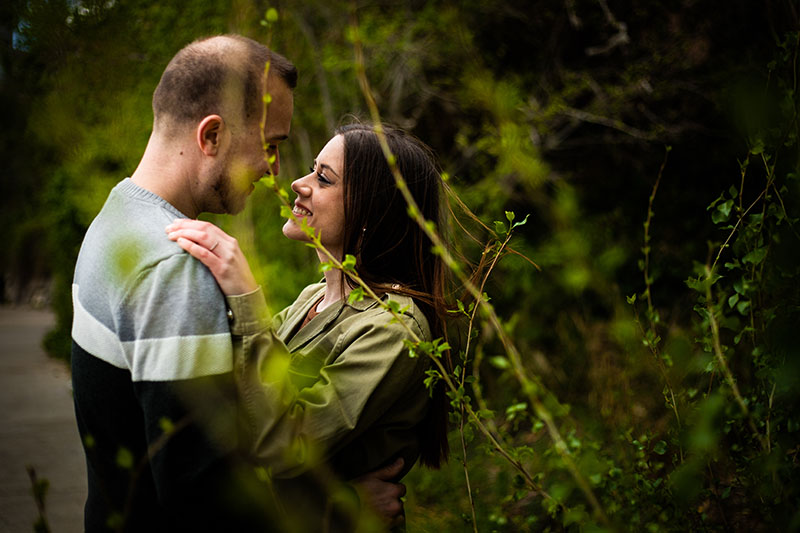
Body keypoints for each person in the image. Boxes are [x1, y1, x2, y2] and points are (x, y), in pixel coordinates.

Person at [70, 35, 404, 532]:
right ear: (211, 136)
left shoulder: (115, 220)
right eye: (270, 145)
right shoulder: (176, 270)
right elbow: (202, 501)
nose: (276, 170)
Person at [164, 122, 452, 530]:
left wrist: (246, 298)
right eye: (312, 169)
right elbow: (239, 404)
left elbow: (284, 444)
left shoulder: (394, 328)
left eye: (323, 178)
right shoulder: (312, 298)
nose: (298, 184)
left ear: (371, 211)